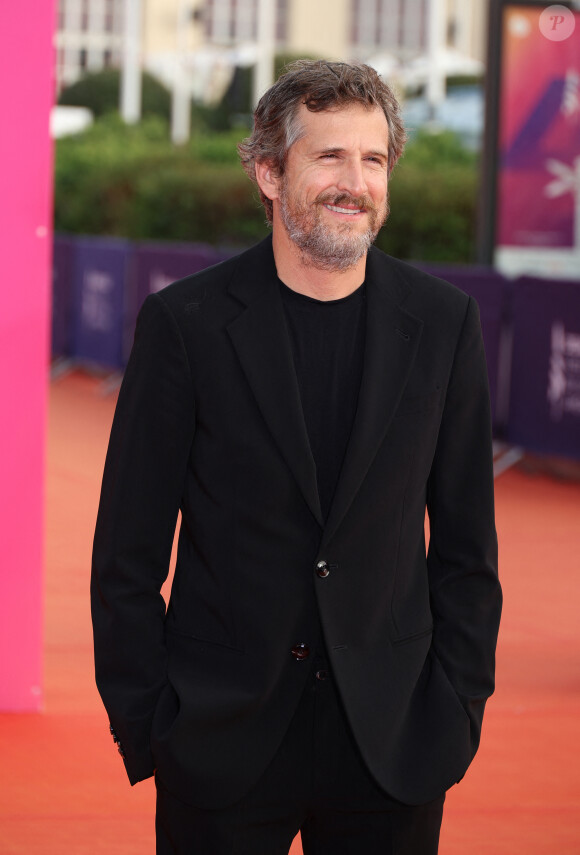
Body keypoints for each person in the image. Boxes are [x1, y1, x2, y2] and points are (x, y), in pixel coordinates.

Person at [91, 60, 502, 854]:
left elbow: (467, 549)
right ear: (270, 173)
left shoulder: (444, 324)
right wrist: (150, 723)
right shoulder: (187, 325)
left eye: (374, 159)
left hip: (393, 742)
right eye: (329, 157)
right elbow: (127, 550)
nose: (356, 182)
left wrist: (454, 711)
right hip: (220, 739)